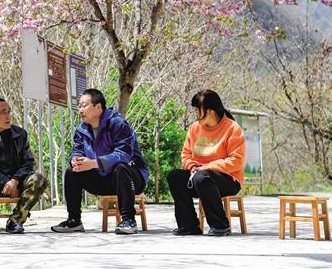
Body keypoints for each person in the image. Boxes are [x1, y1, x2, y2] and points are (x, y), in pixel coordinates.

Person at [52, 88, 149, 235]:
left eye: (84, 105)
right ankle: (74, 221)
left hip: (132, 178)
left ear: (98, 107)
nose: (80, 110)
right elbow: (76, 150)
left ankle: (128, 220)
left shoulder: (118, 124)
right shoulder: (81, 130)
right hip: (103, 179)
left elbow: (123, 154)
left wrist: (94, 162)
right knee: (72, 171)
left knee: (120, 168)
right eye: (79, 106)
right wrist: (75, 160)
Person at [167, 89, 246, 236]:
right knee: (175, 176)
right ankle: (189, 225)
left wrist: (205, 168)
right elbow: (186, 154)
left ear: (210, 111)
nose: (195, 113)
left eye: (197, 110)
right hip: (198, 176)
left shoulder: (232, 129)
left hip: (228, 180)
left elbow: (236, 161)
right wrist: (192, 167)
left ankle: (220, 225)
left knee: (202, 177)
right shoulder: (194, 128)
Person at [0, 98, 48, 235]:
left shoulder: (20, 134)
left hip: (17, 182)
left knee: (39, 178)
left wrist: (15, 181)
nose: (8, 115)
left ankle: (16, 220)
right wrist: (6, 182)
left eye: (9, 111)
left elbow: (28, 162)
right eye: (3, 112)